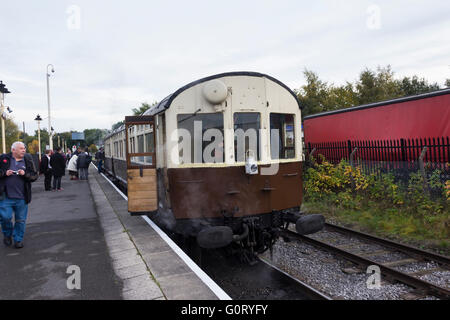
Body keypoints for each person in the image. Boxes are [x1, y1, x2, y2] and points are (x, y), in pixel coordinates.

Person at [0, 141, 38, 249]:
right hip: (5, 196)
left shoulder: (27, 159)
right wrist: (4, 173)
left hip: (22, 196)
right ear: (13, 150)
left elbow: (34, 176)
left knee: (20, 220)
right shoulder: (3, 159)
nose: (24, 150)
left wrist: (24, 174)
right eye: (21, 148)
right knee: (5, 218)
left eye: (24, 148)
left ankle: (18, 240)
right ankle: (7, 235)